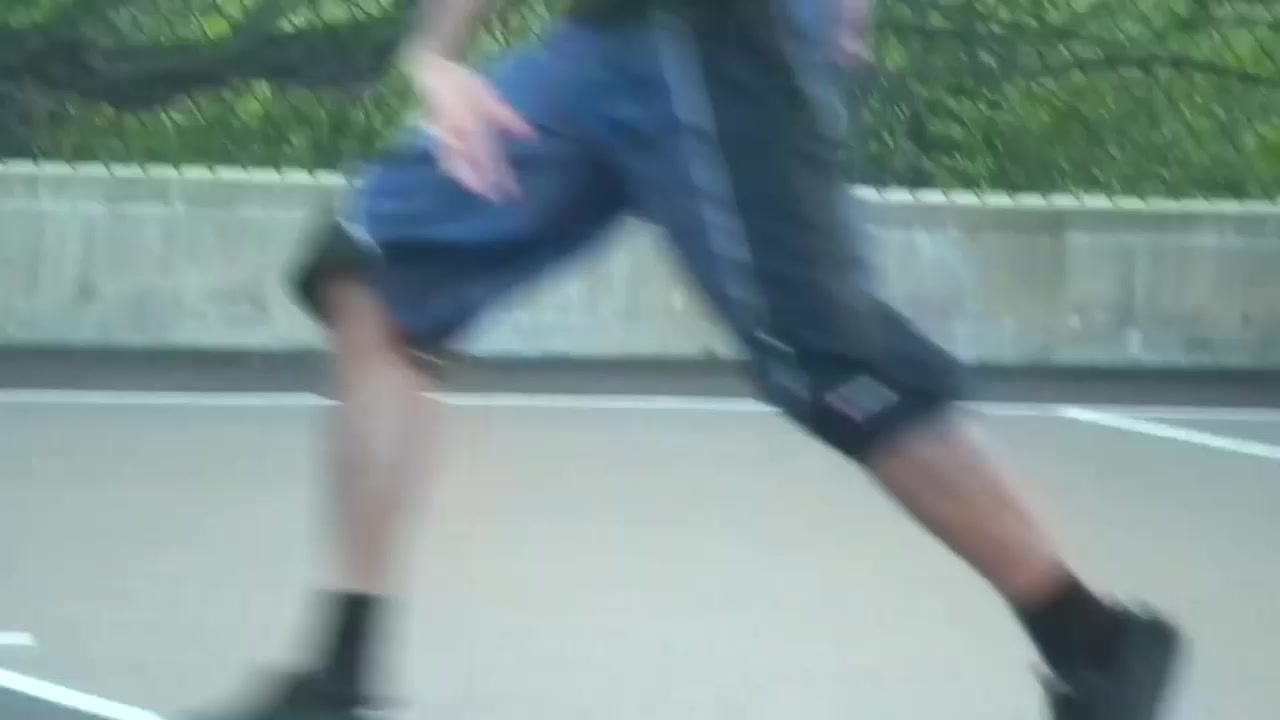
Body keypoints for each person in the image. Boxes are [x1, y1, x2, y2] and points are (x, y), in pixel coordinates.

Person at [204, 0, 1183, 718]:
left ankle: (1093, 641)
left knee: (832, 365)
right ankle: (340, 672)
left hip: (726, 41)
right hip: (601, 45)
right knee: (374, 273)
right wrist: (437, 53)